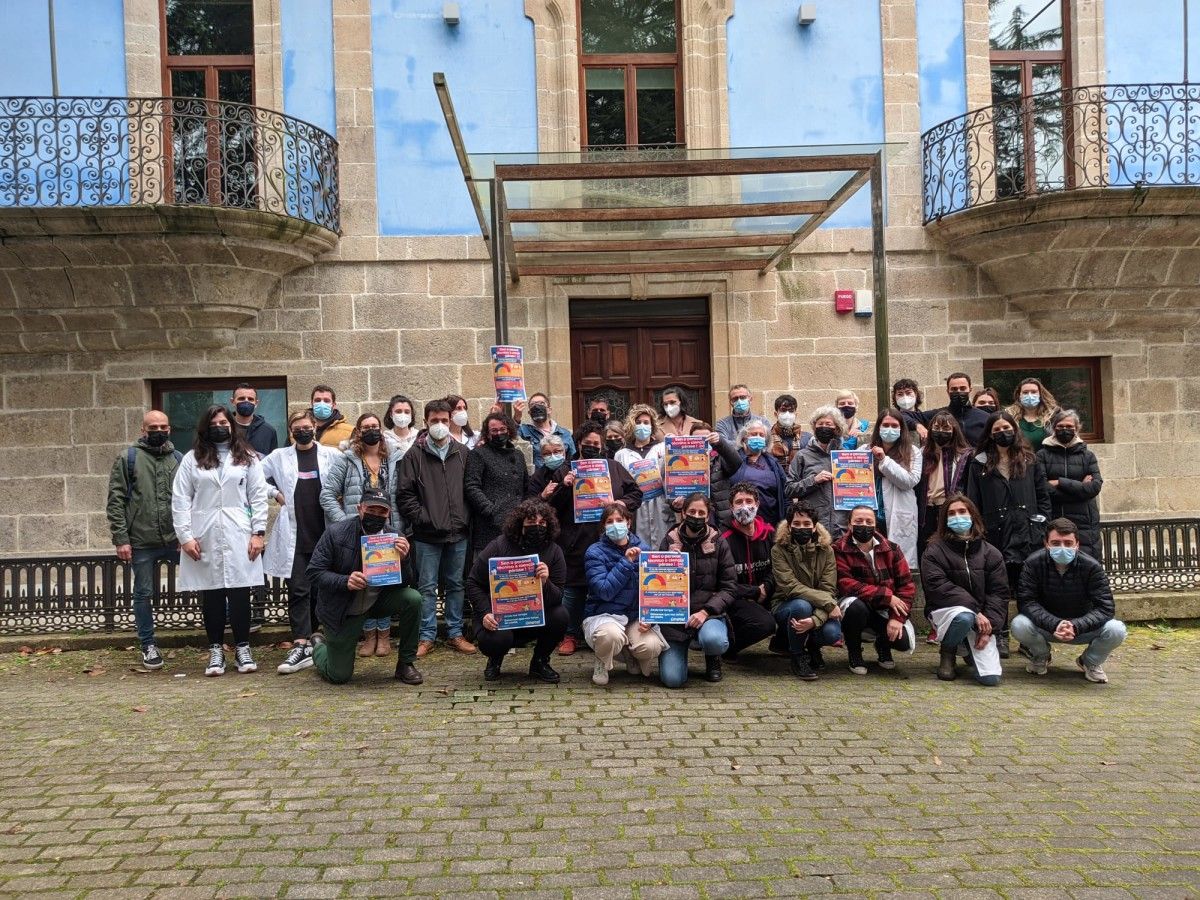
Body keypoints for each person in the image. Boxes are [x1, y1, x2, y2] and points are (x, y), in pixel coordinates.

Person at [171, 405, 269, 677]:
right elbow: (180, 499)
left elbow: (258, 496)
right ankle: (215, 649)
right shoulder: (192, 459)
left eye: (224, 422)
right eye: (214, 423)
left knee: (240, 592)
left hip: (240, 530)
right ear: (205, 427)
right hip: (204, 533)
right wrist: (185, 536)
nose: (220, 426)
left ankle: (242, 647)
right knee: (211, 592)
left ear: (232, 425)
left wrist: (258, 533)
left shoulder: (247, 457)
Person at [535, 422, 643, 655]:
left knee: (608, 584)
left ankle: (605, 632)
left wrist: (621, 504)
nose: (592, 447)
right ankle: (569, 634)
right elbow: (549, 508)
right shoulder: (565, 470)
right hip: (574, 539)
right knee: (573, 590)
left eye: (597, 444)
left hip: (608, 540)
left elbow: (636, 493)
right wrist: (564, 487)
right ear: (579, 444)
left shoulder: (614, 467)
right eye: (588, 444)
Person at [307, 487, 424, 685]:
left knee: (413, 598)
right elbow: (314, 572)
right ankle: (319, 647)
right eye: (371, 510)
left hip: (377, 602)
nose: (376, 515)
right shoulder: (336, 533)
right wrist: (345, 581)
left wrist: (403, 560)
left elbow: (405, 582)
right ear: (360, 508)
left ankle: (406, 663)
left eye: (382, 512)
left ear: (389, 514)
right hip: (344, 608)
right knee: (339, 675)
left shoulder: (395, 537)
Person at [965, 410, 1052, 657]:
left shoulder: (1029, 460)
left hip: (1027, 533)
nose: (1002, 433)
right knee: (997, 589)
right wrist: (978, 532)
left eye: (1007, 428)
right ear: (990, 435)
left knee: (1028, 588)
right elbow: (973, 501)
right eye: (997, 430)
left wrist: (1041, 526)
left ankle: (1029, 639)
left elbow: (1043, 496)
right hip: (995, 534)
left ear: (1014, 430)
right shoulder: (979, 463)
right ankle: (1000, 635)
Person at [260, 411, 340, 674]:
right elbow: (254, 478)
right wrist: (274, 493)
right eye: (297, 427)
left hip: (324, 533)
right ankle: (300, 642)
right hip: (295, 534)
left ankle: (317, 636)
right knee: (298, 589)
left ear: (314, 427)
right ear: (291, 431)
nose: (303, 430)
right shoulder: (278, 457)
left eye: (307, 426)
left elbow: (350, 475)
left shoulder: (331, 454)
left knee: (321, 590)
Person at [320, 412, 405, 659]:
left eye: (375, 426)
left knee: (386, 580)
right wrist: (345, 524)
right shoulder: (346, 460)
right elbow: (327, 495)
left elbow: (403, 494)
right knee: (363, 581)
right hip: (357, 531)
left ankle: (385, 634)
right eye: (366, 427)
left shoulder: (395, 459)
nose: (371, 430)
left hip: (388, 530)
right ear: (358, 431)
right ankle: (368, 635)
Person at [396, 399, 475, 657]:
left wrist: (462, 518)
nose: (440, 425)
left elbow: (471, 489)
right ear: (425, 422)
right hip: (427, 535)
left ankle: (455, 633)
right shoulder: (413, 455)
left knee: (456, 584)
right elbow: (405, 495)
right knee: (426, 586)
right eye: (434, 421)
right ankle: (426, 636)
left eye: (444, 420)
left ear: (450, 420)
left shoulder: (462, 453)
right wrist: (424, 517)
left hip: (458, 532)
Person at [106, 409, 182, 670]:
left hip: (176, 539)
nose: (158, 431)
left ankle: (214, 638)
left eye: (163, 426)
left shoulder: (179, 459)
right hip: (140, 540)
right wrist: (121, 538)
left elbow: (189, 501)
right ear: (143, 430)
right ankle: (148, 644)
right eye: (153, 427)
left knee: (203, 583)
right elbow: (115, 500)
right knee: (143, 594)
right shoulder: (128, 458)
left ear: (169, 429)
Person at [1012, 518, 1127, 683]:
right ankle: (1041, 656)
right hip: (1047, 627)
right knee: (1019, 624)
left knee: (1117, 630)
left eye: (1068, 543)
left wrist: (1075, 626)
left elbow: (1105, 608)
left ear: (1077, 544)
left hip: (1082, 627)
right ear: (1046, 543)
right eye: (1056, 543)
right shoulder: (1033, 564)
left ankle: (1090, 661)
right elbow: (1027, 602)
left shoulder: (1091, 567)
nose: (1062, 548)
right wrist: (1055, 624)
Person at [467, 499, 568, 683]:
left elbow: (558, 597)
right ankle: (495, 658)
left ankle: (540, 661)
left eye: (542, 523)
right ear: (520, 523)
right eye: (531, 522)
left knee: (561, 615)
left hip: (533, 616)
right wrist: (485, 613)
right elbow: (473, 582)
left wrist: (545, 582)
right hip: (500, 617)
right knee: (496, 641)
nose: (537, 527)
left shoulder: (554, 551)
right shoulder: (499, 546)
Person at [920, 494, 1008, 685]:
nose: (957, 517)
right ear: (944, 520)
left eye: (962, 511)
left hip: (983, 618)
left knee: (991, 679)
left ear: (973, 516)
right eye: (951, 514)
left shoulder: (991, 553)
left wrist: (989, 628)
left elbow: (999, 594)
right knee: (963, 617)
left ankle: (967, 646)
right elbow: (938, 587)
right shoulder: (934, 551)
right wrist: (975, 611)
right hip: (948, 611)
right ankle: (948, 651)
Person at [582, 501, 666, 685]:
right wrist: (626, 563)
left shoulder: (644, 549)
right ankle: (602, 660)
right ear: (603, 526)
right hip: (604, 614)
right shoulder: (594, 552)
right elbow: (604, 591)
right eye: (609, 521)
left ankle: (631, 653)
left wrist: (650, 617)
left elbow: (654, 591)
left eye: (619, 520)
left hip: (634, 616)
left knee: (651, 647)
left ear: (628, 522)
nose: (615, 525)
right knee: (609, 636)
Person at [658, 493, 736, 687]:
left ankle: (713, 657)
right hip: (675, 618)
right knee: (672, 680)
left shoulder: (719, 542)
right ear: (683, 513)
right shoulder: (669, 541)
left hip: (707, 615)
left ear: (708, 515)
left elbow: (729, 587)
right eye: (692, 511)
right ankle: (678, 652)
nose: (696, 516)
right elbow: (655, 584)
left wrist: (706, 611)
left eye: (701, 512)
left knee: (714, 640)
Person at [834, 505, 917, 675]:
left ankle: (883, 644)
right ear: (849, 525)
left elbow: (906, 585)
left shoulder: (892, 549)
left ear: (875, 525)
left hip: (884, 607)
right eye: (858, 521)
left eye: (868, 521)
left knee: (903, 642)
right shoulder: (838, 549)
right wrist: (886, 595)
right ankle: (854, 650)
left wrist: (897, 618)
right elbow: (845, 583)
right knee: (856, 608)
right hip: (856, 605)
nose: (863, 525)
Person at [770, 502, 840, 680]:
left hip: (820, 608)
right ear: (789, 526)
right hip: (786, 605)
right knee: (801, 606)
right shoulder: (778, 550)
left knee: (832, 633)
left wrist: (815, 620)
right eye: (797, 524)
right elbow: (790, 587)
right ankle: (797, 654)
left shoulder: (827, 551)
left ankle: (813, 647)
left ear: (815, 526)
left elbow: (828, 588)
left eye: (807, 524)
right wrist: (828, 604)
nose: (802, 528)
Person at [719, 483, 781, 659]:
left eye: (749, 501)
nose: (744, 506)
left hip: (767, 592)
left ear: (757, 504)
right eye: (739, 502)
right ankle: (728, 647)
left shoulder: (770, 534)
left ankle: (785, 644)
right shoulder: (722, 539)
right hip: (736, 597)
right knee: (764, 624)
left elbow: (778, 567)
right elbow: (721, 581)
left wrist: (766, 587)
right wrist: (754, 591)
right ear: (731, 507)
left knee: (796, 608)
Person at [1037, 410, 1103, 560]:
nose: (1064, 430)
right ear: (1053, 428)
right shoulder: (1042, 455)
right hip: (1054, 519)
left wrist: (1060, 482)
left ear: (1076, 429)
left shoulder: (1088, 456)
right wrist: (1080, 489)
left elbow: (1094, 487)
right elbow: (1042, 489)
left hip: (1085, 525)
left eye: (1069, 426)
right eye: (1060, 426)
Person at [465, 412, 530, 558]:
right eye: (494, 431)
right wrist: (490, 510)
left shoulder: (518, 455)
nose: (499, 433)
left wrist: (524, 512)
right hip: (489, 526)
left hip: (517, 524)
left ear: (509, 431)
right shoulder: (479, 454)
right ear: (487, 434)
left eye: (502, 429)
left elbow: (525, 486)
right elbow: (471, 486)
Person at [785, 406, 849, 539]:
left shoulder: (846, 456)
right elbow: (789, 489)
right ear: (814, 428)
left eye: (828, 424)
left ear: (836, 428)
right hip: (814, 529)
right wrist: (813, 481)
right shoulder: (802, 456)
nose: (824, 427)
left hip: (841, 529)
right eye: (820, 424)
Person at [917, 412, 973, 562]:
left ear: (954, 430)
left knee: (951, 551)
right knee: (928, 551)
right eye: (937, 427)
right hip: (926, 510)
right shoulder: (922, 454)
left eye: (946, 428)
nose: (941, 431)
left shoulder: (965, 455)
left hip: (950, 509)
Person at [870, 409, 923, 570]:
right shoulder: (866, 450)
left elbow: (910, 481)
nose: (890, 429)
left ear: (901, 429)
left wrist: (884, 460)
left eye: (894, 425)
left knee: (899, 564)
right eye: (885, 425)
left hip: (898, 513)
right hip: (872, 514)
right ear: (878, 428)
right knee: (872, 563)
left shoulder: (912, 452)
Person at [614, 403, 670, 551]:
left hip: (660, 506)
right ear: (632, 425)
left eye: (646, 423)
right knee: (639, 550)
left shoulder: (663, 448)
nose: (642, 426)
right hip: (636, 508)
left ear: (652, 426)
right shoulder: (621, 454)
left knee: (663, 549)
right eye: (638, 422)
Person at [729, 421, 788, 527]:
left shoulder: (773, 463)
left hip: (770, 523)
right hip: (740, 522)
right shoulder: (733, 460)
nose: (758, 437)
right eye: (754, 434)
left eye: (761, 435)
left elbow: (785, 492)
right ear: (744, 438)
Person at [516, 392, 575, 468]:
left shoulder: (565, 433)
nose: (537, 407)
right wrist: (516, 418)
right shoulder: (523, 431)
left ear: (549, 410)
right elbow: (510, 439)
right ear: (529, 412)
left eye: (542, 403)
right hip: (537, 478)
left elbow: (573, 459)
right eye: (533, 405)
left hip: (561, 477)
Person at [932, 373, 990, 447]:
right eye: (954, 389)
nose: (958, 391)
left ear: (970, 389)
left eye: (963, 388)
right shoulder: (938, 415)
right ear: (948, 391)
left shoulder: (985, 417)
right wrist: (918, 425)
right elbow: (913, 415)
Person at [1006, 377, 1059, 449]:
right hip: (1018, 459)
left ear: (1040, 394)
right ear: (1019, 395)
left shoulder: (1053, 416)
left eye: (1034, 392)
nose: (1029, 395)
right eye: (1025, 392)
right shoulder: (1009, 416)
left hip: (1045, 459)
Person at [230, 383, 278, 457]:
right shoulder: (225, 428)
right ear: (232, 401)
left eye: (250, 399)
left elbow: (273, 462)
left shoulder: (268, 431)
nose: (246, 401)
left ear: (256, 403)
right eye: (241, 398)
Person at [770, 393, 809, 470]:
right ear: (776, 414)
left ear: (796, 414)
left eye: (791, 411)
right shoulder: (767, 438)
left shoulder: (807, 438)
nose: (787, 414)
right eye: (783, 410)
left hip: (799, 480)